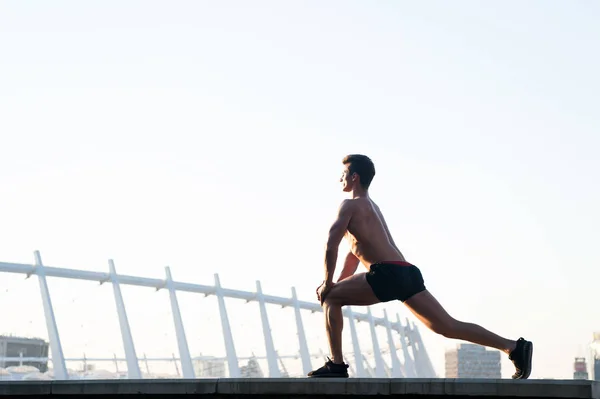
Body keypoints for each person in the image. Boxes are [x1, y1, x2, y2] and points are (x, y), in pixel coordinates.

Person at [308, 154, 533, 379]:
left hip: (386, 272)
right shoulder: (372, 208)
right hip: (406, 272)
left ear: (354, 177)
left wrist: (328, 285)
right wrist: (338, 284)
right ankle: (513, 348)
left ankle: (336, 366)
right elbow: (353, 256)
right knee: (447, 327)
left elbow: (331, 245)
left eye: (343, 174)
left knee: (330, 299)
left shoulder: (349, 205)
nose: (340, 179)